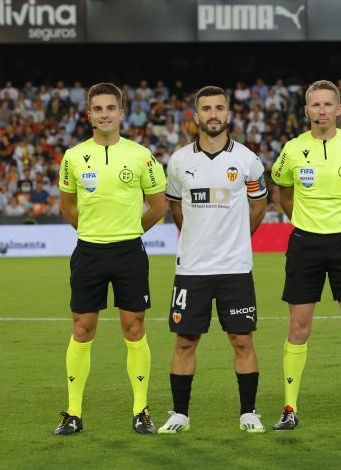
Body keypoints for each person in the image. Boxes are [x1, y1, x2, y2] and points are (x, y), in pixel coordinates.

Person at [54, 83, 168, 436]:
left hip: (129, 252)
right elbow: (67, 205)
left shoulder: (140, 155)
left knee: (134, 328)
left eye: (110, 108)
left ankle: (141, 410)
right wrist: (90, 230)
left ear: (122, 113)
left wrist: (131, 230)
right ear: (89, 115)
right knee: (81, 329)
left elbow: (159, 206)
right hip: (88, 252)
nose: (104, 114)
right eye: (98, 109)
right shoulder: (73, 157)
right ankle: (73, 413)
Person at [270, 80, 341, 430]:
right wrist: (300, 220)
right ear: (306, 110)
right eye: (315, 105)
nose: (321, 110)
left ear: (338, 109)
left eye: (327, 104)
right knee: (298, 327)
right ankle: (289, 407)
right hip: (305, 244)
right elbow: (282, 191)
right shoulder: (291, 149)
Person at [158, 86, 269, 434]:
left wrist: (238, 237)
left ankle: (248, 412)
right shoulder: (178, 161)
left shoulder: (248, 160)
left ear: (229, 115)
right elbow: (175, 205)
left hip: (235, 267)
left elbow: (260, 204)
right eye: (206, 109)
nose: (213, 114)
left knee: (242, 340)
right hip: (192, 269)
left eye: (219, 108)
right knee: (185, 341)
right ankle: (179, 414)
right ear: (196, 117)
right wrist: (194, 234)